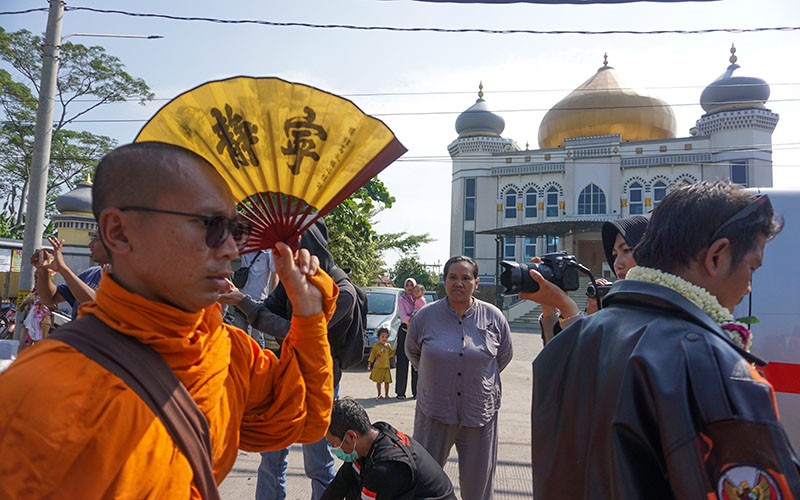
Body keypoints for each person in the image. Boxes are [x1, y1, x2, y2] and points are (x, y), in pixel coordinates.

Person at [0, 142, 336, 498]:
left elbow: (308, 419)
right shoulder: (41, 391)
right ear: (120, 232)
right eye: (209, 225)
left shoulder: (226, 350)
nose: (231, 249)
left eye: (235, 230)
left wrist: (308, 313)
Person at [531, 180, 800, 498]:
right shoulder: (715, 367)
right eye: (752, 267)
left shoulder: (569, 342)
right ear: (717, 256)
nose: (748, 287)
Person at [219, 219, 353, 500]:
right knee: (270, 459)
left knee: (318, 461)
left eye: (295, 244)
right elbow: (271, 315)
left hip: (322, 380)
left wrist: (304, 310)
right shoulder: (289, 280)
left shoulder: (340, 291)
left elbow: (291, 331)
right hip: (283, 373)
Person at [406, 256, 513, 500]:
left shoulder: (494, 318)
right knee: (423, 483)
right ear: (444, 281)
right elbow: (412, 352)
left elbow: (503, 357)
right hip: (434, 411)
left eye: (466, 278)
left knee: (478, 487)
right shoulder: (425, 317)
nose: (459, 283)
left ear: (476, 282)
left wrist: (477, 379)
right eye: (453, 277)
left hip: (479, 414)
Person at [525, 213, 650, 345]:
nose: (617, 263)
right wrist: (548, 306)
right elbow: (555, 362)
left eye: (626, 250)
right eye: (614, 254)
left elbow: (591, 359)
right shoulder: (617, 304)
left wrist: (567, 308)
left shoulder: (658, 316)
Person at [321, 398, 456, 500]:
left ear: (351, 436)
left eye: (333, 444)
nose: (334, 449)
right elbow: (339, 485)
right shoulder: (370, 440)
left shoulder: (385, 467)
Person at [33, 233, 110, 319]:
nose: (90, 245)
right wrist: (43, 269)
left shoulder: (124, 279)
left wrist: (63, 269)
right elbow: (49, 298)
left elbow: (98, 305)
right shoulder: (90, 274)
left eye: (96, 239)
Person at [227, 249, 278, 347]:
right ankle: (244, 360)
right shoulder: (246, 246)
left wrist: (272, 297)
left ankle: (259, 360)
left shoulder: (268, 252)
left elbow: (274, 275)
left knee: (257, 339)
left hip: (259, 299)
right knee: (241, 337)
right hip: (241, 296)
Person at [395, 277, 418, 399]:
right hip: (404, 330)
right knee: (402, 361)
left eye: (411, 285)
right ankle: (400, 391)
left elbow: (422, 311)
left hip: (416, 332)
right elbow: (403, 316)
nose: (409, 288)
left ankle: (417, 392)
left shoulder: (419, 299)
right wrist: (413, 319)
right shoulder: (402, 299)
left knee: (416, 362)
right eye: (407, 285)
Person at [367, 326, 395, 399]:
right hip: (378, 367)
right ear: (378, 337)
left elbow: (391, 353)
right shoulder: (376, 346)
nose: (384, 339)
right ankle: (379, 394)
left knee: (387, 382)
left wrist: (395, 350)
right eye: (382, 337)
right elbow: (372, 355)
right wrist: (369, 364)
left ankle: (386, 394)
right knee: (378, 382)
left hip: (386, 367)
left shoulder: (387, 346)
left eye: (386, 337)